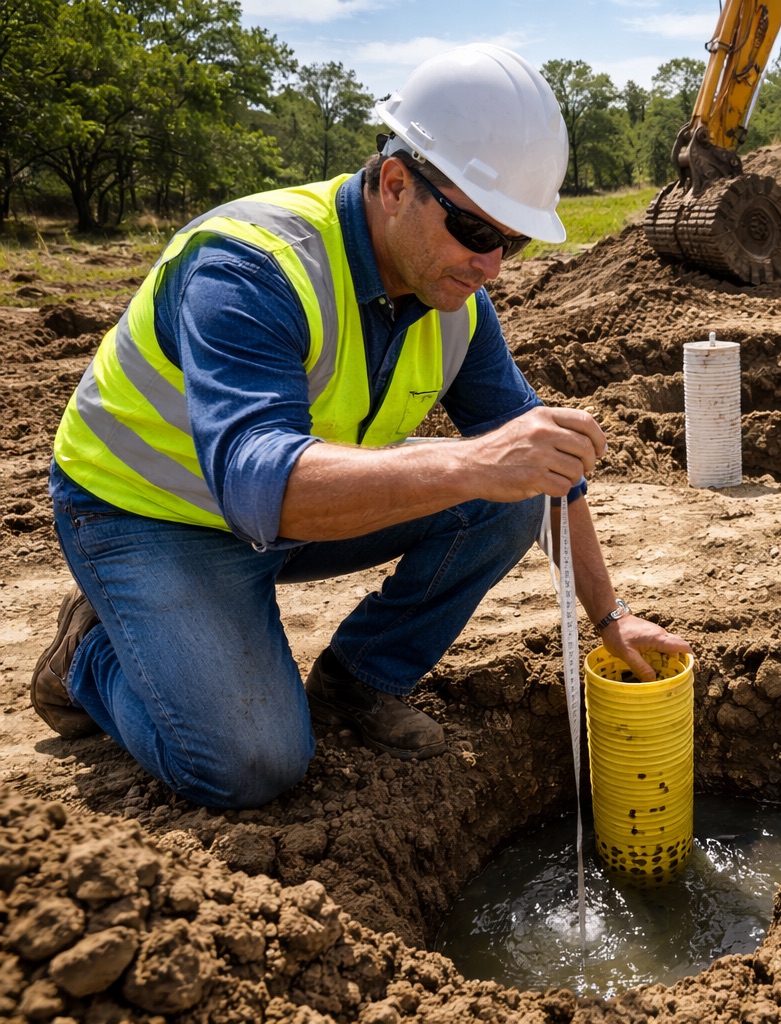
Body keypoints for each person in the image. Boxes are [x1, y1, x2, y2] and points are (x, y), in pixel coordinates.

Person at [30, 44, 690, 810]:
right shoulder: (251, 268)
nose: (493, 267)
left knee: (515, 493)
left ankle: (360, 679)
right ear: (397, 184)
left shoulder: (453, 300)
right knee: (251, 764)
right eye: (477, 233)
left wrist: (610, 617)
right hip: (149, 514)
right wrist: (474, 464)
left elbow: (547, 468)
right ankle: (90, 652)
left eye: (512, 243)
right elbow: (260, 487)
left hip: (290, 508)